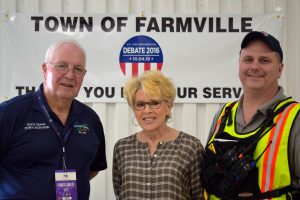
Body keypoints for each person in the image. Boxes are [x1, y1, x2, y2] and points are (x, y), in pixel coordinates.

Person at [0, 39, 107, 199]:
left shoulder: (90, 119)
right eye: (61, 66)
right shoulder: (10, 113)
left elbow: (91, 169)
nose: (70, 75)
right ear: (45, 69)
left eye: (78, 69)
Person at [202, 31, 300, 200]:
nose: (255, 66)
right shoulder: (223, 114)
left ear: (280, 69)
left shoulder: (295, 118)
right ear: (239, 64)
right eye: (248, 59)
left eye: (264, 60)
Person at [112, 70, 205, 199]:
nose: (147, 110)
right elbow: (120, 193)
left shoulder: (190, 147)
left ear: (169, 106)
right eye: (140, 104)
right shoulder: (122, 148)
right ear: (134, 109)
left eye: (155, 103)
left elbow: (199, 196)